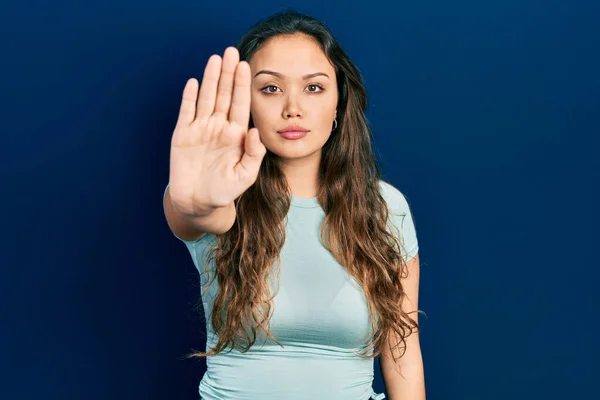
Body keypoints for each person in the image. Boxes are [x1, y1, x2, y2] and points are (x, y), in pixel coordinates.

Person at [163, 9, 425, 400]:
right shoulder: (216, 194)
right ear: (245, 101)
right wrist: (193, 200)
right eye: (270, 88)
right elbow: (197, 212)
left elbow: (402, 353)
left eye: (314, 88)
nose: (292, 108)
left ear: (339, 101)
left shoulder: (386, 207)